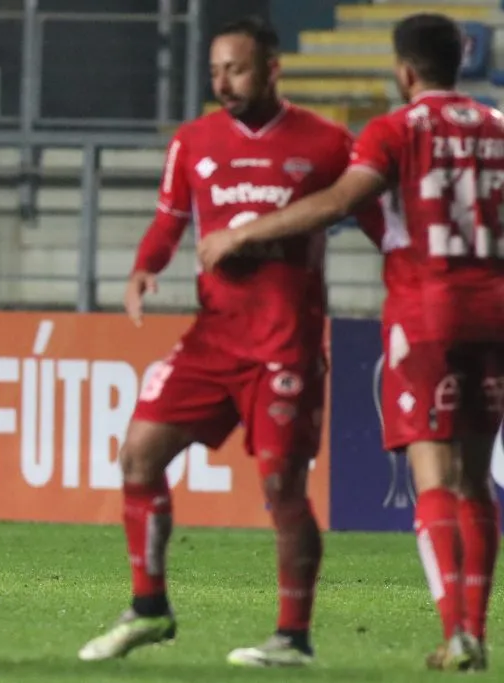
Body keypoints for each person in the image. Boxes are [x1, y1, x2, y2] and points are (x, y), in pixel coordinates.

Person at [198, 13, 503, 672]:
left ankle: (457, 631)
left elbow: (341, 201)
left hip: (428, 316)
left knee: (435, 480)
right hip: (496, 316)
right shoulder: (500, 128)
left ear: (404, 71)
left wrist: (244, 233)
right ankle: (475, 627)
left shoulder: (395, 130)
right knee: (477, 480)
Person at [78, 16, 381, 666]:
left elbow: (379, 219)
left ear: (273, 68)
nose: (223, 82)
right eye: (215, 70)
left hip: (286, 344)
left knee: (282, 487)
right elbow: (169, 220)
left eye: (236, 69)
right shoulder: (194, 140)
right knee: (139, 454)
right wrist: (144, 269)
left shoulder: (327, 142)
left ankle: (293, 636)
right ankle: (149, 607)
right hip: (212, 339)